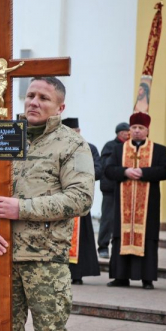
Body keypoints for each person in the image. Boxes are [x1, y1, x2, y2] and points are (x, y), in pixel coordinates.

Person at [0, 77, 95, 331]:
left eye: (44, 98)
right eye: (31, 95)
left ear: (60, 107)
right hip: (3, 256)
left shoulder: (72, 144)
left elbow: (81, 198)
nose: (34, 101)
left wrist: (21, 208)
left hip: (45, 261)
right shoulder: (6, 135)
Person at [105, 112, 166, 290]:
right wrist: (125, 172)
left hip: (148, 206)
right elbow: (109, 170)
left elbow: (165, 171)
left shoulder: (158, 149)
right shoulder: (119, 149)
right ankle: (121, 277)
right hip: (123, 206)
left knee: (147, 238)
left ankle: (147, 278)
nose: (136, 131)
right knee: (120, 237)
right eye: (133, 128)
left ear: (147, 130)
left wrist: (144, 173)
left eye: (140, 128)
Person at [62, 118, 101, 285]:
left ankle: (77, 274)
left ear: (79, 131)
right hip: (59, 200)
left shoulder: (88, 148)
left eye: (75, 131)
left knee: (80, 238)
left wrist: (80, 177)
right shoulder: (57, 148)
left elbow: (98, 169)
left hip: (79, 199)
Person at [98, 122, 130, 258]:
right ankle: (103, 247)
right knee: (108, 219)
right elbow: (105, 165)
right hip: (110, 189)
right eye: (126, 132)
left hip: (125, 189)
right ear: (119, 133)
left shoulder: (131, 147)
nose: (128, 134)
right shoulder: (110, 146)